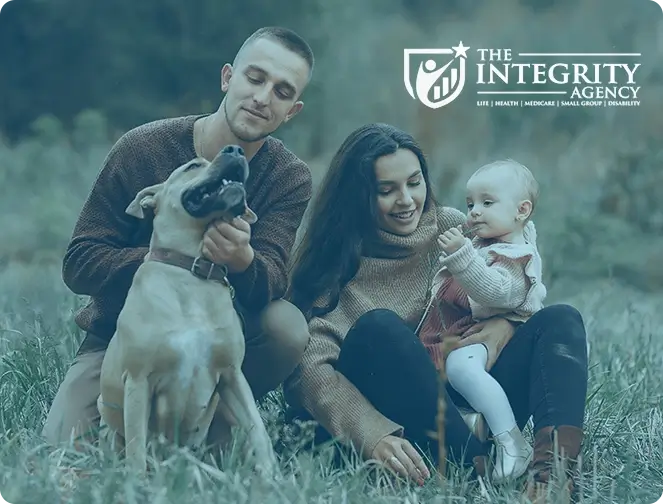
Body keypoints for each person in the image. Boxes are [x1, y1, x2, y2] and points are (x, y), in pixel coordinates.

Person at [284, 123, 588, 502]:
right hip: (411, 413)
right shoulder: (332, 270)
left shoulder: (451, 229)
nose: (407, 200)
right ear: (358, 197)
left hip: (472, 385)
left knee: (560, 320)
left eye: (414, 182)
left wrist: (506, 325)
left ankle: (551, 475)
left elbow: (512, 275)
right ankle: (475, 464)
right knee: (380, 328)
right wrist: (372, 432)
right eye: (386, 190)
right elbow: (308, 370)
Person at [42, 26, 315, 449]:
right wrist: (167, 260)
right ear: (228, 77)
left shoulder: (288, 177)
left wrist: (243, 261)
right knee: (63, 457)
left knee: (287, 327)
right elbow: (80, 261)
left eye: (281, 91)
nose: (263, 98)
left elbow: (274, 278)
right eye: (255, 78)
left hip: (218, 340)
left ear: (292, 110)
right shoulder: (143, 148)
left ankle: (215, 412)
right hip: (123, 341)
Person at [416, 159, 546, 483]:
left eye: (487, 203)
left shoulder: (519, 255)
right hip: (456, 334)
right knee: (444, 379)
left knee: (462, 369)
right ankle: (474, 425)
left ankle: (511, 440)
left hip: (483, 337)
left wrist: (462, 256)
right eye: (470, 203)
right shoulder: (485, 243)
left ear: (522, 210)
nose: (474, 211)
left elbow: (497, 292)